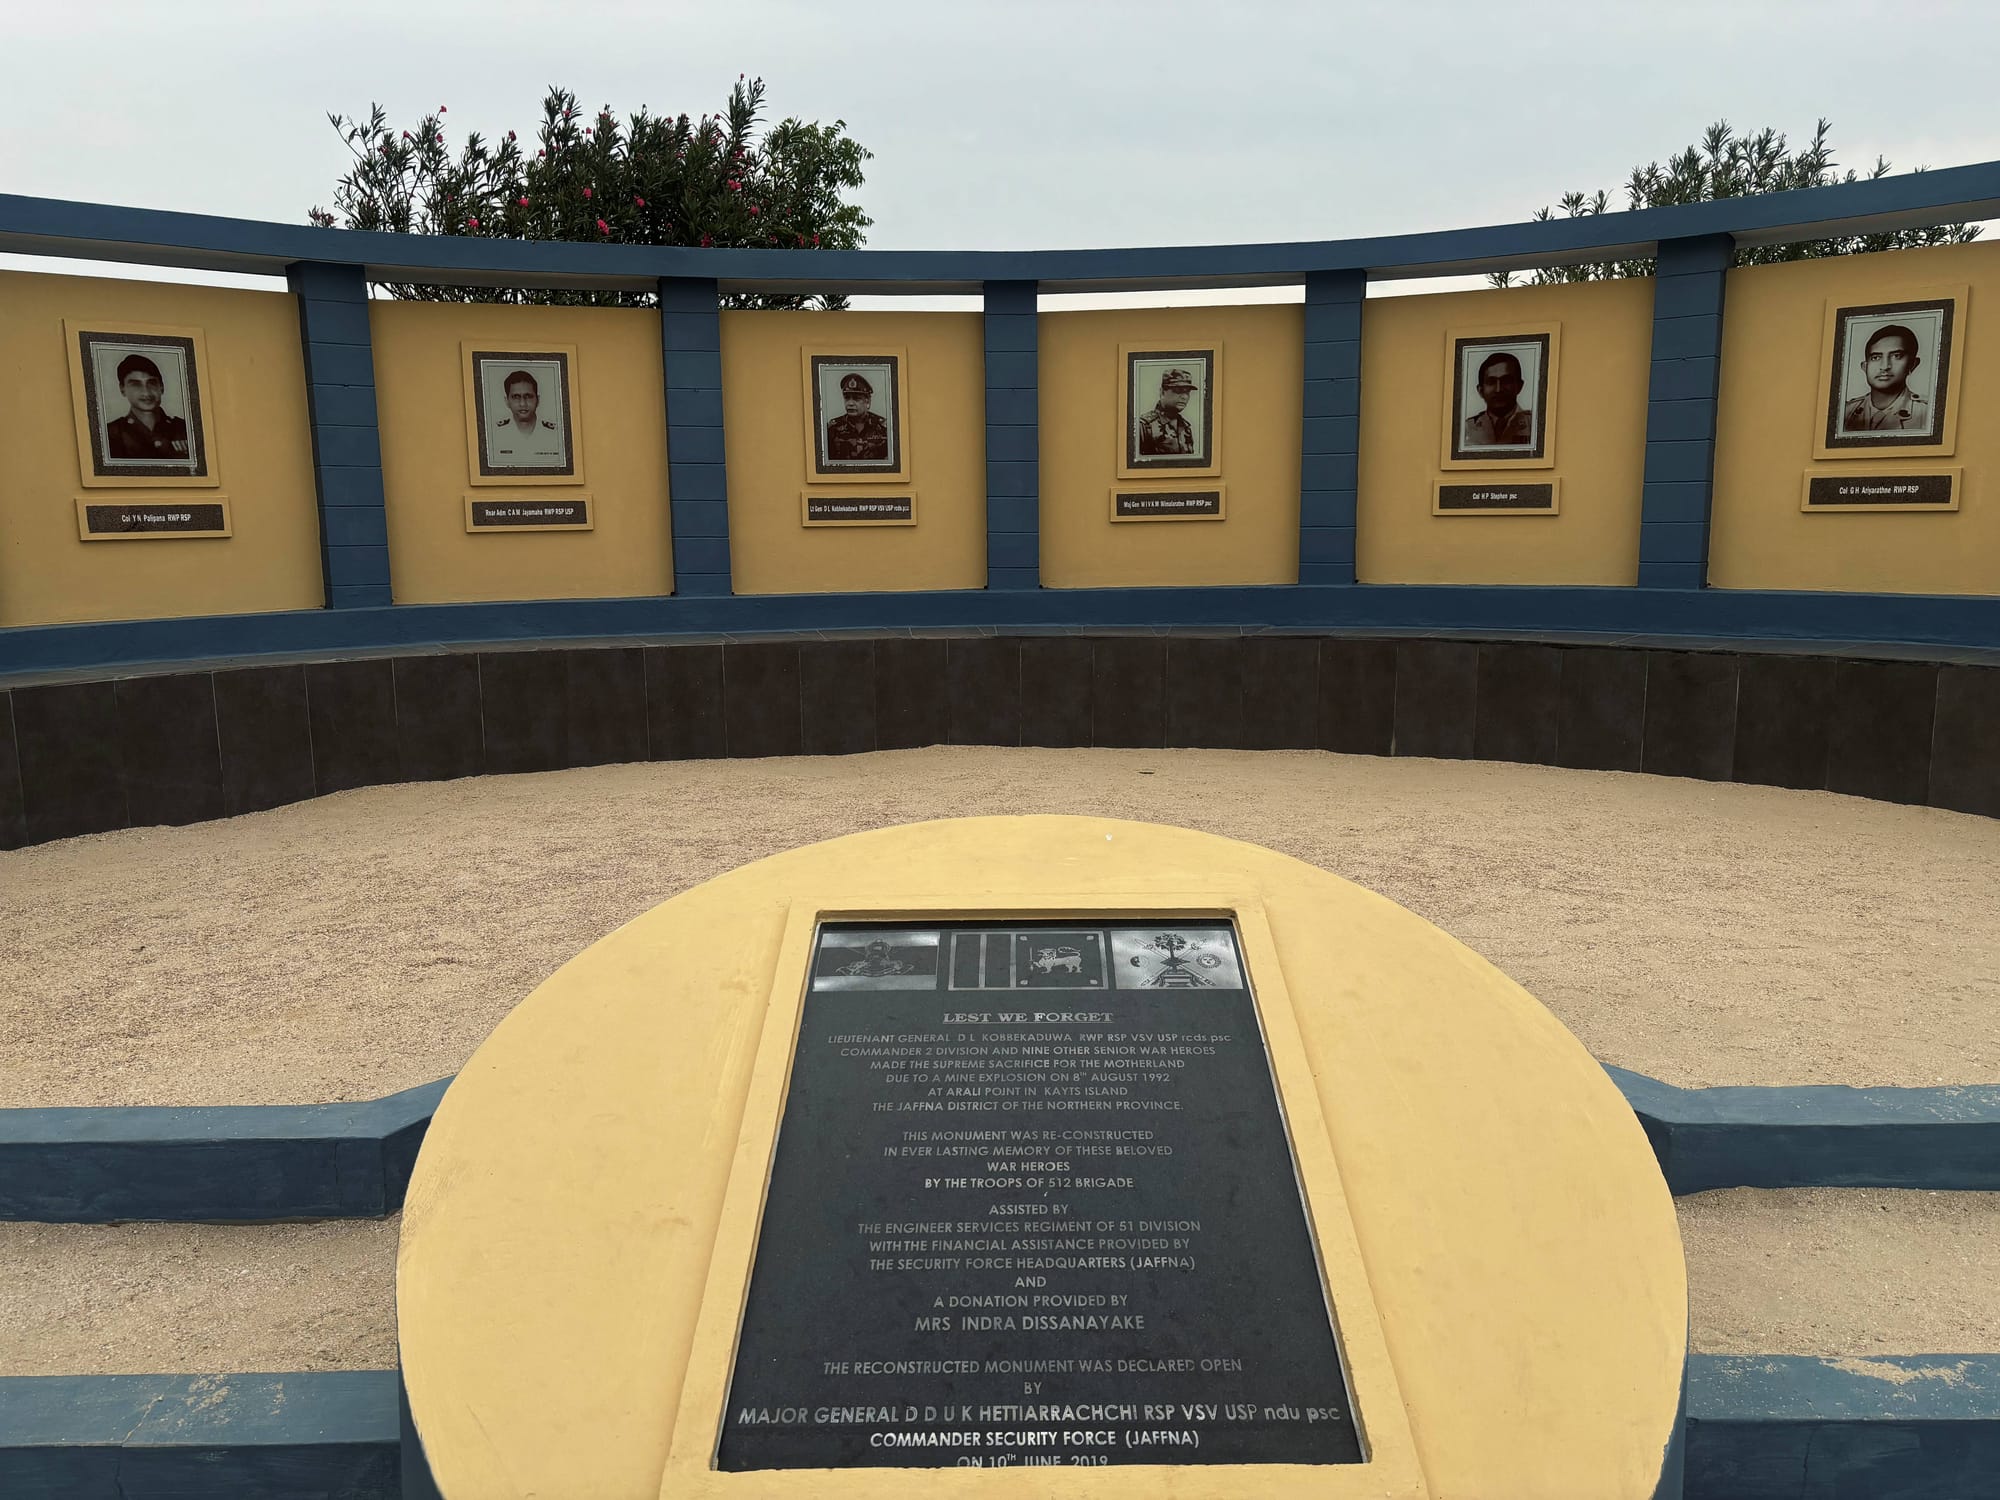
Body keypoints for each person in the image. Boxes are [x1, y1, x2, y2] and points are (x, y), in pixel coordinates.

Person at [1842, 323, 1931, 433]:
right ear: (1865, 367)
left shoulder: (1928, 412)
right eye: (1875, 357)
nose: (1884, 366)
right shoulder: (1845, 411)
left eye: (1896, 356)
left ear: (1913, 364)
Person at [104, 353, 190, 461]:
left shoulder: (185, 429)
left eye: (152, 383)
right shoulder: (110, 434)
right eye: (136, 384)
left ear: (161, 387)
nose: (146, 392)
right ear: (122, 389)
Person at [1461, 350, 1534, 447]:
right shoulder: (1466, 429)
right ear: (1481, 390)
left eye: (1506, 381)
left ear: (1519, 386)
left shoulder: (1535, 424)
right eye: (1491, 382)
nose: (1498, 389)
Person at [491, 369, 564, 464]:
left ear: (538, 400)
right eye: (516, 397)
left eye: (528, 396)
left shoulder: (556, 434)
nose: (523, 403)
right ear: (507, 401)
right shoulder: (494, 434)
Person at [824, 371, 889, 461]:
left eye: (856, 398)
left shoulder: (884, 428)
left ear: (867, 401)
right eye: (847, 398)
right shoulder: (833, 429)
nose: (850, 403)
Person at [1136, 367, 1199, 456]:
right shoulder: (1143, 426)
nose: (1184, 397)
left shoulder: (1186, 427)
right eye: (1178, 390)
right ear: (1162, 392)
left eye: (1187, 392)